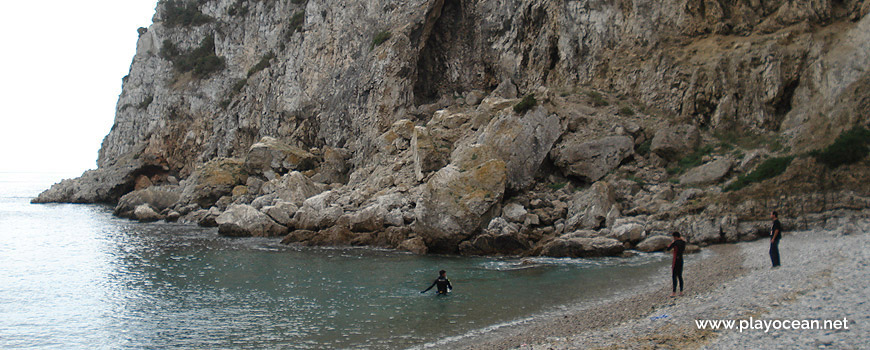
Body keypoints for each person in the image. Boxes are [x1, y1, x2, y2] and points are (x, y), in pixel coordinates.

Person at [666, 231, 686, 297]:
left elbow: (668, 249)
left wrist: (672, 242)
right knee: (680, 275)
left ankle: (674, 292)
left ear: (675, 237)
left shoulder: (675, 242)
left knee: (674, 276)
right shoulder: (683, 242)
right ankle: (681, 291)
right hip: (681, 260)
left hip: (675, 261)